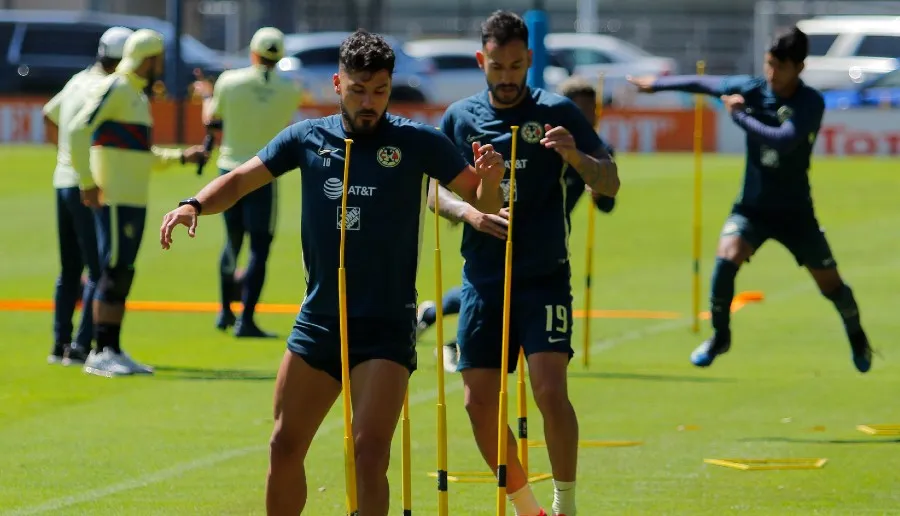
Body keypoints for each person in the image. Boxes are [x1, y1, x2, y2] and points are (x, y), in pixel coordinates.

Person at [158, 29, 505, 516]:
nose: (370, 102)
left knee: (368, 454)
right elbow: (240, 180)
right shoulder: (306, 137)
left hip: (385, 328)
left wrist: (489, 182)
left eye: (380, 91)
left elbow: (479, 198)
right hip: (320, 321)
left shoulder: (417, 142)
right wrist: (195, 203)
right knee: (283, 446)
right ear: (338, 84)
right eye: (359, 90)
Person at [432, 11, 619, 516]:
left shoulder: (558, 110)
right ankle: (527, 506)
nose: (508, 76)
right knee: (476, 403)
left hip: (543, 277)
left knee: (549, 391)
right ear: (482, 62)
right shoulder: (459, 117)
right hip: (484, 280)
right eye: (497, 66)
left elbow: (610, 182)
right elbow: (432, 191)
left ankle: (565, 504)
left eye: (517, 65)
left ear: (530, 60)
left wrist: (576, 157)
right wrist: (468, 211)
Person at [628, 26, 873, 372]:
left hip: (795, 213)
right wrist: (658, 84)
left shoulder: (809, 102)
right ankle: (720, 336)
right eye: (769, 64)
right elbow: (706, 84)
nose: (772, 73)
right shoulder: (752, 89)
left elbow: (783, 140)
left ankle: (857, 336)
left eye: (780, 67)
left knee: (830, 285)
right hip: (752, 208)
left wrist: (739, 116)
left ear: (799, 68)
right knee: (726, 258)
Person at [418, 75, 617, 375]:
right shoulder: (540, 135)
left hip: (545, 249)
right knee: (489, 290)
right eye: (582, 110)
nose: (587, 118)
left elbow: (607, 201)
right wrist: (471, 208)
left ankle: (440, 323)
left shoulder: (591, 148)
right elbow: (440, 187)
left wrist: (590, 177)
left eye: (592, 112)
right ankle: (445, 329)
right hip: (497, 235)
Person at [68, 29, 208, 377]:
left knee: (123, 271)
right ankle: (100, 352)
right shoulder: (116, 87)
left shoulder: (135, 95)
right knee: (113, 271)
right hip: (115, 197)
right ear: (148, 58)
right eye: (158, 58)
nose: (162, 64)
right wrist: (87, 183)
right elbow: (76, 129)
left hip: (133, 197)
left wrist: (182, 157)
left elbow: (141, 155)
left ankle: (112, 347)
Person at [192, 27, 305, 338]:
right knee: (259, 248)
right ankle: (247, 319)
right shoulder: (290, 88)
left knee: (232, 241)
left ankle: (224, 311)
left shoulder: (230, 81)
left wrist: (205, 94)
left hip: (229, 171)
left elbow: (212, 120)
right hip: (264, 173)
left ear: (253, 52)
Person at [42, 26, 133, 366]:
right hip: (89, 184)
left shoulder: (78, 80)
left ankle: (58, 344)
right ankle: (81, 348)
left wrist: (64, 155)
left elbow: (48, 116)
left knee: (69, 269)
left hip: (62, 180)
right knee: (98, 270)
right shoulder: (111, 88)